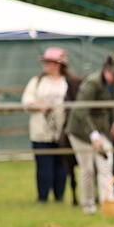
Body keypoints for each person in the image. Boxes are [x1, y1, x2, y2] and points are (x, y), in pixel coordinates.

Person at [64, 53, 114, 215]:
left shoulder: (113, 86)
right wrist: (93, 135)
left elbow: (112, 105)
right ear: (107, 71)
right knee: (88, 170)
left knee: (106, 165)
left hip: (100, 131)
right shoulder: (92, 84)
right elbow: (80, 111)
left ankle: (109, 201)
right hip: (80, 131)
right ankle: (88, 205)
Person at [21, 47, 72, 202]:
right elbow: (26, 102)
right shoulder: (37, 82)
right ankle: (42, 197)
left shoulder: (67, 82)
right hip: (41, 132)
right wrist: (41, 106)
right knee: (44, 167)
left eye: (50, 62)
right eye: (46, 62)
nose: (46, 65)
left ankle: (59, 197)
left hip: (62, 132)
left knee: (61, 167)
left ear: (59, 64)